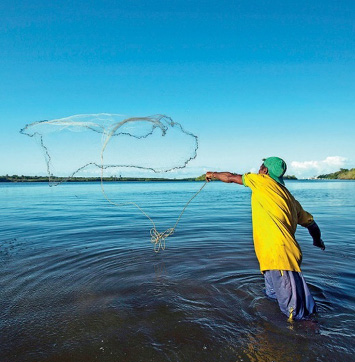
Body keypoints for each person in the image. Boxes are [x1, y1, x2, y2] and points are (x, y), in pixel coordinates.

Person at [205, 157, 325, 321]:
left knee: (297, 315)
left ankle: (306, 340)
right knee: (273, 300)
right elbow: (312, 224)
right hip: (271, 258)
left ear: (265, 171)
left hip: (280, 257)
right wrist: (318, 241)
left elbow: (231, 177)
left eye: (261, 167)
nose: (258, 169)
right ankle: (275, 335)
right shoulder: (290, 198)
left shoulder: (261, 181)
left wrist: (212, 174)